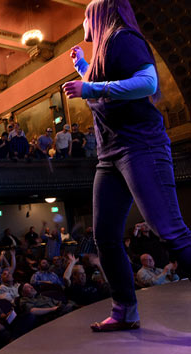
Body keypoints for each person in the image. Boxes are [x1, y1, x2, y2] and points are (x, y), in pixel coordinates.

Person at [62, 0, 191, 332]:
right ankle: (125, 310)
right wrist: (84, 68)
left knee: (170, 231)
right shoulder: (106, 51)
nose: (82, 22)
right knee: (105, 236)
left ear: (98, 14)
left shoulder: (122, 37)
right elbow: (108, 91)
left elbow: (147, 83)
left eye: (85, 14)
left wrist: (88, 85)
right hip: (110, 155)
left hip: (141, 147)